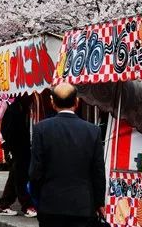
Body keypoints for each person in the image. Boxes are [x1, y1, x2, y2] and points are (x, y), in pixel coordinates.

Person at [29, 83, 105, 227]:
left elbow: (35, 173)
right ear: (77, 101)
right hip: (82, 207)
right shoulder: (93, 131)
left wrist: (39, 198)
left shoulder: (41, 129)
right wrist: (99, 202)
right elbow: (98, 172)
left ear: (52, 102)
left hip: (50, 205)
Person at [0, 95, 37, 217]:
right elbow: (6, 131)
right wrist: (10, 149)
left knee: (14, 177)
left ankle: (3, 205)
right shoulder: (14, 110)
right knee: (20, 178)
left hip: (20, 149)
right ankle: (27, 206)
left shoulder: (20, 109)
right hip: (16, 150)